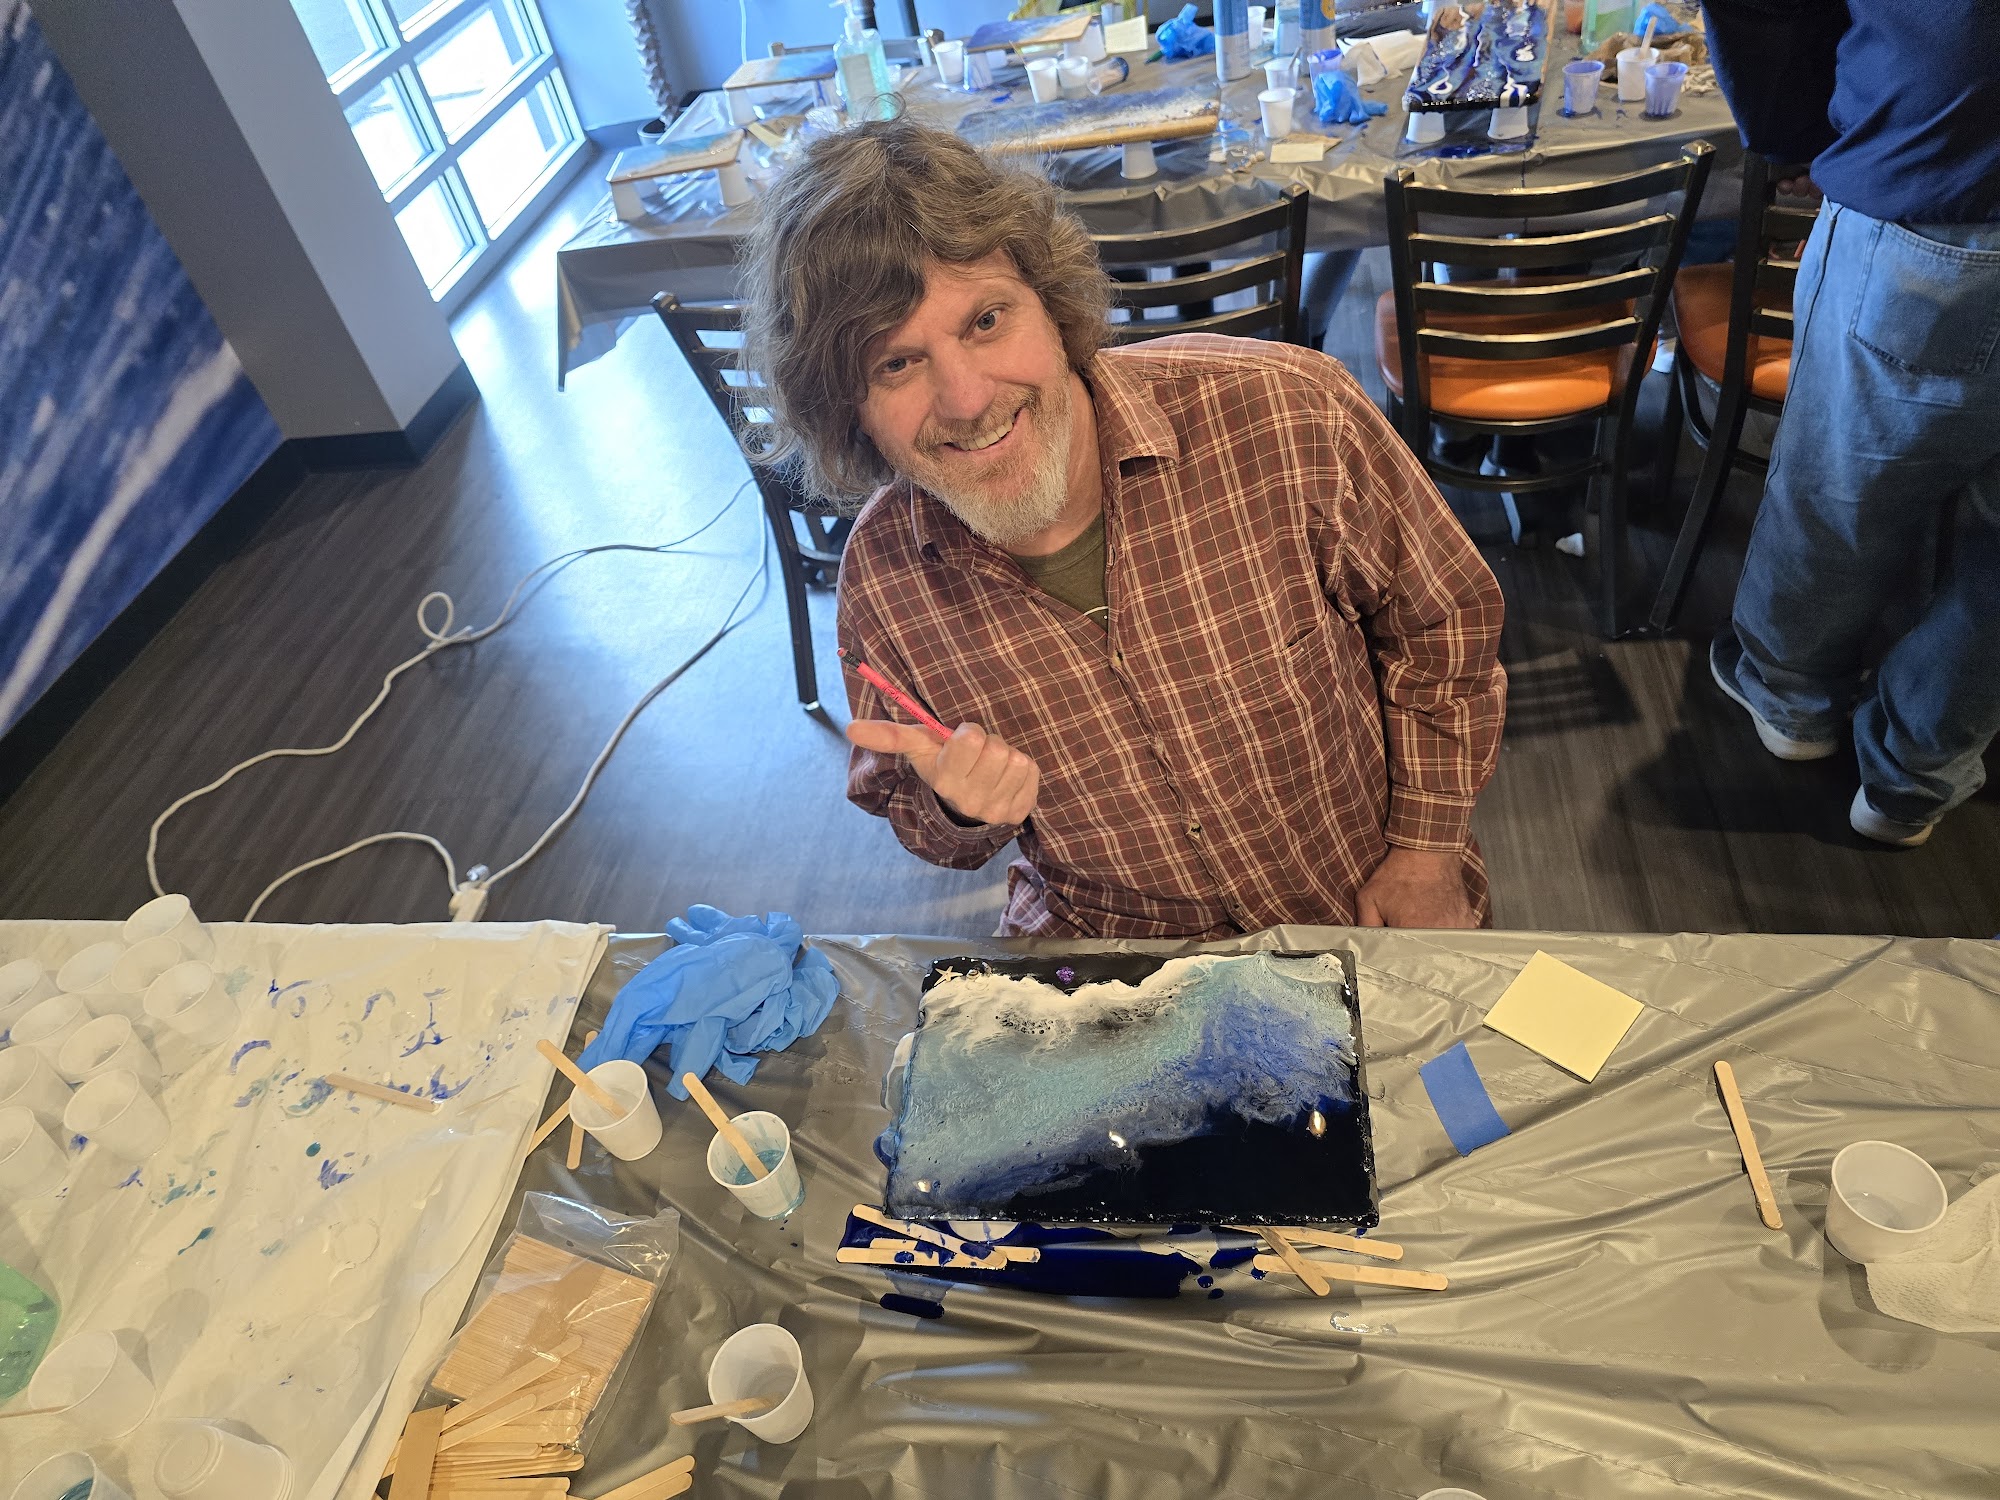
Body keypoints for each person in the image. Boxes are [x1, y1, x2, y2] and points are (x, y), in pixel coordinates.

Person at [739, 117, 1506, 937]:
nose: (967, 400)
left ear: (1051, 302)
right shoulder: (884, 585)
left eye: (986, 321)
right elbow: (914, 810)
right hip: (1113, 959)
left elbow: (1445, 621)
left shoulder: (1288, 413)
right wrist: (959, 809)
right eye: (896, 363)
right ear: (847, 411)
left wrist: (1425, 853)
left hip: (1359, 907)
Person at [1700, 1, 2000, 847]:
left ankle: (1792, 698)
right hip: (1944, 184)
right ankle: (1916, 774)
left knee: (1840, 489)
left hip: (1936, 196)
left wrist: (1798, 134)